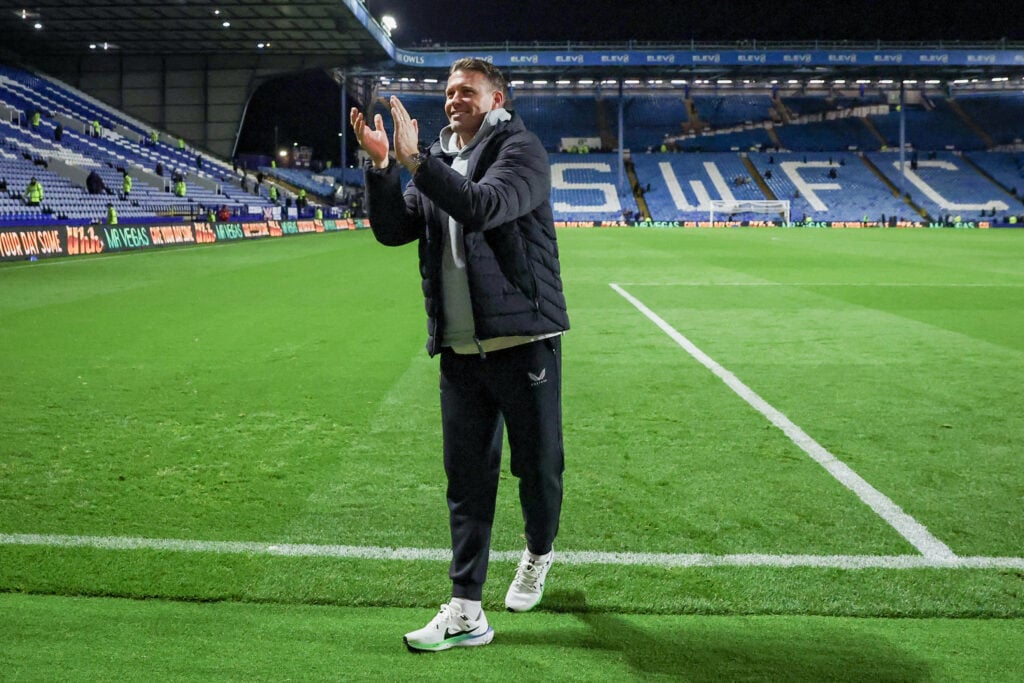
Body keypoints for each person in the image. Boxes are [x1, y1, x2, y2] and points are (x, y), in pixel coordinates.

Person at [350, 57, 569, 653]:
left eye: (466, 90)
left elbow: (482, 206)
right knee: (467, 481)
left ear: (496, 98)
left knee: (538, 470)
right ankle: (467, 609)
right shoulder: (440, 163)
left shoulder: (522, 152)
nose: (453, 99)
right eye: (448, 91)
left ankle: (538, 551)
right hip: (459, 352)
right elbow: (395, 229)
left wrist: (415, 161)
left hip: (522, 340)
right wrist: (380, 166)